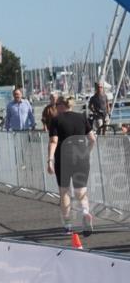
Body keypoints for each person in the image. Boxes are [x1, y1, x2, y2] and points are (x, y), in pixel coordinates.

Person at [48, 96, 96, 235]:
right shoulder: (82, 117)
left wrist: (50, 160)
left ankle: (68, 225)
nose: (55, 107)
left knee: (64, 192)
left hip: (64, 158)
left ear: (63, 105)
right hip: (81, 158)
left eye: (57, 104)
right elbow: (92, 139)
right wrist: (86, 152)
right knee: (81, 191)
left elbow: (53, 141)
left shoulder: (56, 120)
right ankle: (85, 212)